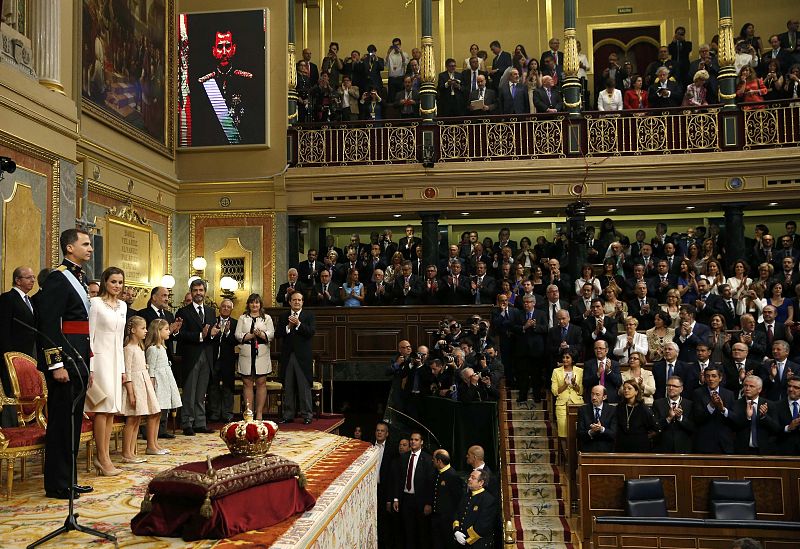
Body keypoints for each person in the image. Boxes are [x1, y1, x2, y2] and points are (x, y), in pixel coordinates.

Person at [37, 229, 94, 499]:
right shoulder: (58, 279)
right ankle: (57, 483)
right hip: (64, 362)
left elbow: (82, 327)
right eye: (85, 244)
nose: (90, 248)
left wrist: (87, 365)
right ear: (69, 248)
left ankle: (69, 479)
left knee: (73, 422)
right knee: (61, 422)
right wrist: (55, 364)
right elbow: (48, 325)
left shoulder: (78, 278)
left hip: (79, 358)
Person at [86, 267, 127, 476]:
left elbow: (120, 340)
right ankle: (101, 458)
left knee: (112, 408)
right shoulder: (94, 304)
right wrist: (90, 367)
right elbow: (89, 337)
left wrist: (122, 369)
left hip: (115, 361)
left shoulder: (123, 306)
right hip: (99, 361)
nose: (117, 286)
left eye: (120, 282)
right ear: (105, 282)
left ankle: (106, 457)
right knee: (102, 408)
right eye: (113, 282)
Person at [193, 29, 261, 145]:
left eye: (228, 46)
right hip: (213, 141)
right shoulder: (205, 82)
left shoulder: (245, 80)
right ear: (213, 51)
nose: (224, 52)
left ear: (234, 49)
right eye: (220, 47)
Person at [175, 279, 215, 436]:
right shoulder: (183, 312)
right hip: (191, 356)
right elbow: (180, 335)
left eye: (201, 290)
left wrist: (212, 334)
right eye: (195, 290)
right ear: (191, 292)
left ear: (205, 292)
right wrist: (200, 335)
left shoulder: (211, 312)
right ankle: (187, 423)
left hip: (207, 355)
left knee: (201, 393)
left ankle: (200, 422)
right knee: (190, 392)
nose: (198, 293)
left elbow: (213, 334)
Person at [121, 316, 161, 462]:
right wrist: (131, 393)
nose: (145, 331)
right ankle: (126, 453)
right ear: (132, 330)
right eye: (142, 328)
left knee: (137, 419)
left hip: (142, 386)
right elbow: (128, 373)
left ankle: (132, 452)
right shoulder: (128, 349)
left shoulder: (139, 348)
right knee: (131, 420)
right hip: (134, 388)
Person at [0, 266, 37, 427]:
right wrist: (8, 356)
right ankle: (11, 427)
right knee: (13, 391)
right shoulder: (7, 298)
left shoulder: (30, 300)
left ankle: (28, 424)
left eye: (34, 277)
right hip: (13, 356)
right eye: (29, 277)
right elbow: (3, 329)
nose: (32, 280)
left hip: (30, 353)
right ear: (18, 280)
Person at [276, 291, 315, 424]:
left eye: (299, 300)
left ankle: (307, 415)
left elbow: (310, 332)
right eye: (294, 300)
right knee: (288, 386)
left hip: (302, 358)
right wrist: (288, 327)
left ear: (302, 302)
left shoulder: (308, 315)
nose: (297, 302)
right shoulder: (283, 316)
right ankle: (288, 415)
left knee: (304, 387)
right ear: (290, 302)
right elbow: (278, 334)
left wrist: (298, 324)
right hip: (288, 356)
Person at [235, 293, 274, 420]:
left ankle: (259, 413)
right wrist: (251, 335)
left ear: (260, 304)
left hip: (261, 353)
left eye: (257, 302)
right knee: (247, 383)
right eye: (252, 302)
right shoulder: (242, 318)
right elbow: (238, 335)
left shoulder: (266, 318)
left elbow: (271, 334)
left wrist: (261, 334)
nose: (254, 305)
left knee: (261, 382)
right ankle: (249, 413)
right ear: (248, 304)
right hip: (246, 353)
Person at [144, 319, 181, 449]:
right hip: (157, 384)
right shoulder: (153, 349)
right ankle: (151, 445)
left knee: (159, 415)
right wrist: (152, 388)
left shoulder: (162, 348)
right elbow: (151, 371)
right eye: (166, 329)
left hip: (165, 382)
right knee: (154, 415)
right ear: (158, 331)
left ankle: (155, 443)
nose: (168, 331)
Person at [393, 431, 434, 548]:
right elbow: (399, 479)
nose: (413, 441)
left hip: (421, 501)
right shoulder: (404, 457)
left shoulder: (427, 459)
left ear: (421, 442)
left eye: (416, 440)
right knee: (408, 531)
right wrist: (396, 498)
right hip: (406, 499)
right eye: (411, 439)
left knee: (422, 532)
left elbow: (430, 483)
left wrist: (428, 503)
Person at [693, 365, 737, 453]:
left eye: (714, 376)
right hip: (705, 443)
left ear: (720, 378)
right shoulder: (698, 393)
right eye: (707, 376)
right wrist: (711, 406)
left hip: (724, 443)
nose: (710, 379)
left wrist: (723, 409)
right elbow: (697, 418)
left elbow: (735, 418)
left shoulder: (729, 394)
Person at [732, 375, 779, 454]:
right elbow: (733, 427)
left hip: (764, 450)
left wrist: (764, 416)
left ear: (759, 389)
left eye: (751, 386)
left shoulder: (770, 405)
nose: (747, 388)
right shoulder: (736, 404)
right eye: (745, 385)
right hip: (741, 450)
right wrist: (747, 417)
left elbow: (776, 429)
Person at [452, 469, 496, 548]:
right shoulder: (465, 496)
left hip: (477, 544)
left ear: (481, 483)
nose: (469, 479)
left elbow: (482, 525)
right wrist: (456, 531)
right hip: (460, 542)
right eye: (470, 477)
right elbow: (457, 514)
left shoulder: (488, 499)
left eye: (473, 478)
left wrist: (466, 538)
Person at [431, 449, 464, 549]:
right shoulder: (438, 473)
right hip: (437, 516)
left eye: (434, 459)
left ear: (439, 461)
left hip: (448, 519)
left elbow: (458, 499)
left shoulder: (452, 475)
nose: (432, 461)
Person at [652, 376, 694, 453]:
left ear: (681, 389)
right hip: (663, 447)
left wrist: (680, 418)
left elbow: (692, 427)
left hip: (683, 447)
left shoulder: (689, 404)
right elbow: (655, 426)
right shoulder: (658, 403)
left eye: (674, 386)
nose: (671, 388)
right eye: (668, 385)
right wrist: (668, 418)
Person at [616, 379, 657, 452]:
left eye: (629, 388)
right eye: (624, 388)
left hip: (640, 447)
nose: (626, 390)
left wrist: (643, 438)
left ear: (636, 391)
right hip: (622, 446)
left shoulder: (644, 409)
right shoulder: (619, 407)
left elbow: (654, 428)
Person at [374, 421, 397, 548]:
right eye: (377, 430)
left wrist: (390, 498)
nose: (379, 433)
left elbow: (393, 477)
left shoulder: (392, 450)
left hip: (384, 490)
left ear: (387, 434)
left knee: (384, 521)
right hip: (370, 490)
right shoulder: (369, 446)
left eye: (382, 431)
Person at [551, 349, 583, 439]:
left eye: (567, 357)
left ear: (573, 359)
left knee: (576, 433)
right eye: (563, 357)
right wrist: (565, 385)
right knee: (563, 434)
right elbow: (554, 391)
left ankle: (574, 453)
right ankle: (566, 454)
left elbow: (581, 391)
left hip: (576, 404)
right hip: (561, 405)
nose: (565, 359)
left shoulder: (580, 371)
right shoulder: (556, 371)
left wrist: (574, 384)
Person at [577, 385, 617, 451]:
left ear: (604, 397)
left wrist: (602, 429)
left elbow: (613, 433)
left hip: (606, 449)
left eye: (597, 394)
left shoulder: (612, 410)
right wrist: (591, 432)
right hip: (588, 448)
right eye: (592, 394)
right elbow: (579, 433)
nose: (594, 397)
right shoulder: (583, 410)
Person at [775, 377, 800, 455]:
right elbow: (773, 430)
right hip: (784, 452)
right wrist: (788, 428)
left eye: (796, 387)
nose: (791, 389)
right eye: (789, 386)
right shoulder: (776, 406)